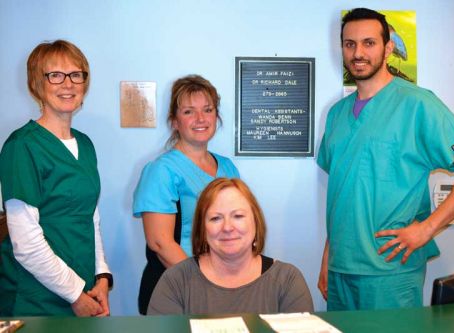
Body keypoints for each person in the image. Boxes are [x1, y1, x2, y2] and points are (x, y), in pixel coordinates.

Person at [317, 8, 454, 311]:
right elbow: (342, 191)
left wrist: (427, 228)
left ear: (388, 48)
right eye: (350, 44)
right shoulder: (336, 114)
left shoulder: (417, 103)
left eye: (369, 43)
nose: (358, 52)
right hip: (340, 269)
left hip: (390, 269)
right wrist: (327, 258)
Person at [0, 40, 112, 316]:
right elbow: (25, 243)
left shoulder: (85, 145)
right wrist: (75, 294)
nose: (68, 84)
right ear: (37, 84)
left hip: (84, 286)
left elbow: (91, 217)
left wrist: (101, 277)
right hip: (35, 297)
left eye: (76, 75)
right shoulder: (21, 146)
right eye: (56, 75)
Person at [133, 75, 240, 315]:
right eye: (189, 111)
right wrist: (204, 285)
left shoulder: (228, 168)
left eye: (208, 110)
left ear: (216, 116)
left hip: (223, 285)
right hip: (176, 290)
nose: (201, 119)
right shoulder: (162, 171)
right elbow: (160, 243)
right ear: (174, 121)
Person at [147, 178, 314, 314]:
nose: (227, 227)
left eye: (238, 216)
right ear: (202, 229)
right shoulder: (175, 281)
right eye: (215, 218)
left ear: (256, 223)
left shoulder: (287, 281)